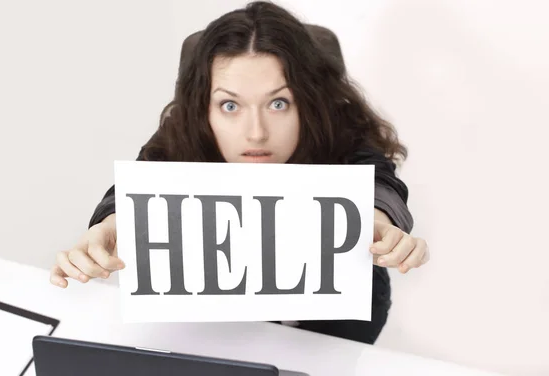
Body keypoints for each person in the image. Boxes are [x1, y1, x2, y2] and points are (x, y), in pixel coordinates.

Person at [49, 1, 430, 345]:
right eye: (230, 106)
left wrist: (378, 220)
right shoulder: (187, 128)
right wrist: (109, 226)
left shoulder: (337, 122)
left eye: (279, 103)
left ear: (309, 102)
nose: (256, 132)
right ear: (204, 108)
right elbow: (144, 176)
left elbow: (379, 179)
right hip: (223, 328)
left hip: (339, 328)